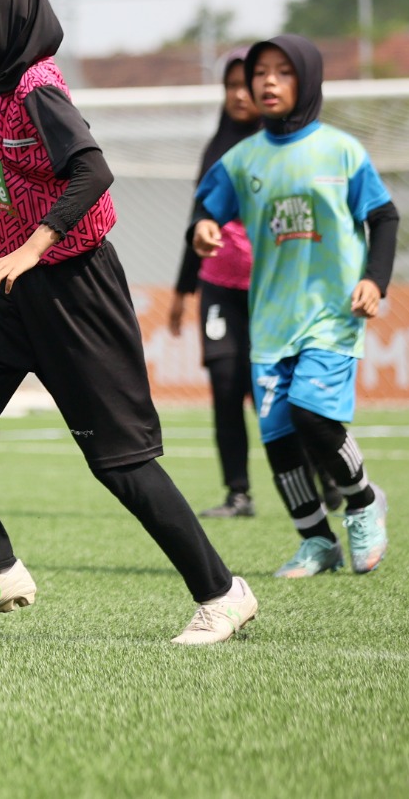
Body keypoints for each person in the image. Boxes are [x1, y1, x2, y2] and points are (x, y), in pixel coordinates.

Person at [0, 0, 256, 645]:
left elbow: (92, 172)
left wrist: (29, 248)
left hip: (73, 290)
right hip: (12, 297)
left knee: (119, 465)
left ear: (7, 19)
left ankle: (222, 592)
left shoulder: (38, 85)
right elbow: (18, 171)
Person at [192, 33, 396, 578]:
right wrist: (204, 229)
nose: (269, 82)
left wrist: (376, 280)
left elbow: (384, 217)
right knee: (279, 434)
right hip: (270, 321)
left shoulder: (341, 150)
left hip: (333, 314)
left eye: (283, 72)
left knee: (312, 414)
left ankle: (362, 502)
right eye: (261, 73)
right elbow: (205, 209)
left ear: (307, 80)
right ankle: (316, 542)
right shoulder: (242, 159)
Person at [169, 47, 261, 518]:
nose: (240, 95)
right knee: (225, 386)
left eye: (248, 84)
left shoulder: (278, 145)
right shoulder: (216, 146)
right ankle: (238, 493)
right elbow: (198, 219)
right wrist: (183, 291)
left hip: (270, 291)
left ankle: (322, 483)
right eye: (231, 86)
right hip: (218, 288)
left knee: (273, 394)